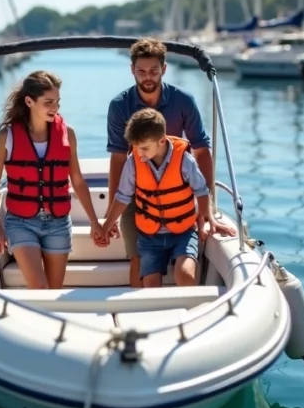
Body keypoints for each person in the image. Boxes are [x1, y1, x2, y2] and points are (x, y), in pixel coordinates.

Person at [105, 37, 235, 287]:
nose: (148, 77)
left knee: (184, 266)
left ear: (164, 69)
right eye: (141, 71)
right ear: (132, 70)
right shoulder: (119, 106)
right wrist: (113, 215)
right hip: (137, 189)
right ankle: (139, 314)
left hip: (180, 190)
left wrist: (207, 211)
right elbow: (119, 158)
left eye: (154, 71)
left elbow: (201, 151)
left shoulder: (183, 101)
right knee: (137, 260)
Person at [0, 71, 106, 290]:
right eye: (48, 102)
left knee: (53, 290)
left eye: (57, 102)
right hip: (21, 223)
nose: (55, 108)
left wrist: (94, 222)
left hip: (58, 223)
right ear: (29, 101)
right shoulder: (7, 136)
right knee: (40, 289)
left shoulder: (67, 134)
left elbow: (77, 181)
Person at [100, 109, 235, 287]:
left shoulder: (185, 160)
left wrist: (209, 217)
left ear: (161, 140)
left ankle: (190, 310)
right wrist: (107, 225)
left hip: (183, 233)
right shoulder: (133, 162)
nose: (139, 153)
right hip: (149, 237)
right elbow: (122, 197)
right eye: (136, 147)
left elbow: (201, 191)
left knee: (185, 273)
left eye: (144, 148)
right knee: (150, 283)